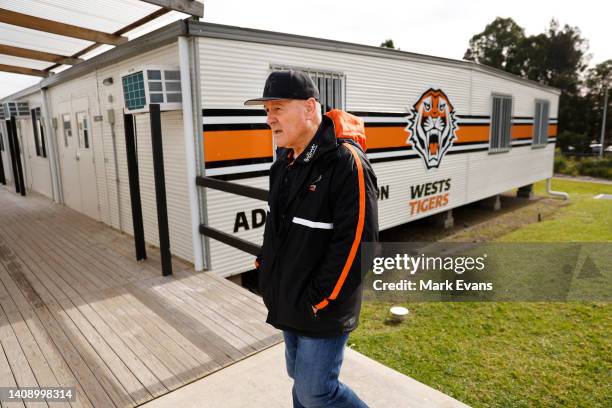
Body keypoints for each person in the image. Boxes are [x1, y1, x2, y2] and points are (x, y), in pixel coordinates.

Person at [245, 70, 379, 408]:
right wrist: (266, 266)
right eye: (266, 111)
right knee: (299, 380)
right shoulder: (285, 163)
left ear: (309, 107)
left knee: (316, 392)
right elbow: (276, 227)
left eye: (277, 108)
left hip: (322, 307)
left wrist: (319, 299)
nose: (269, 119)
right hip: (289, 297)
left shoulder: (346, 163)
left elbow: (360, 247)